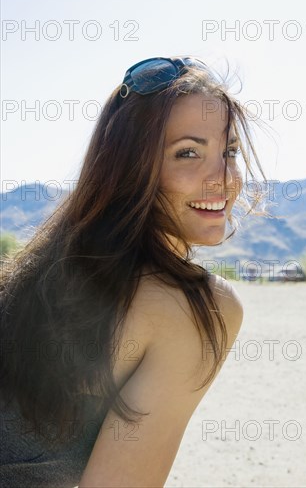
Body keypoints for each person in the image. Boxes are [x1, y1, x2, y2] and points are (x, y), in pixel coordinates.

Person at [0, 55, 266, 487]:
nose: (224, 178)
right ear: (130, 168)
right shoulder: (193, 308)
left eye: (229, 151)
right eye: (187, 153)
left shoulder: (42, 273)